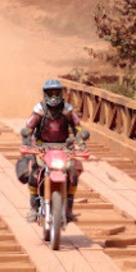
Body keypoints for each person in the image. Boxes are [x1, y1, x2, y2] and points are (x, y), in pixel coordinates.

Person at [19, 78, 83, 222]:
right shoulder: (40, 110)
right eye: (50, 93)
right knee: (34, 175)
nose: (54, 97)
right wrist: (26, 138)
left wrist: (80, 137)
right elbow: (29, 126)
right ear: (45, 94)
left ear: (61, 93)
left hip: (64, 147)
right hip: (42, 147)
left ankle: (69, 210)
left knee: (73, 174)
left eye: (56, 93)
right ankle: (33, 209)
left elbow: (77, 126)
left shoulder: (67, 110)